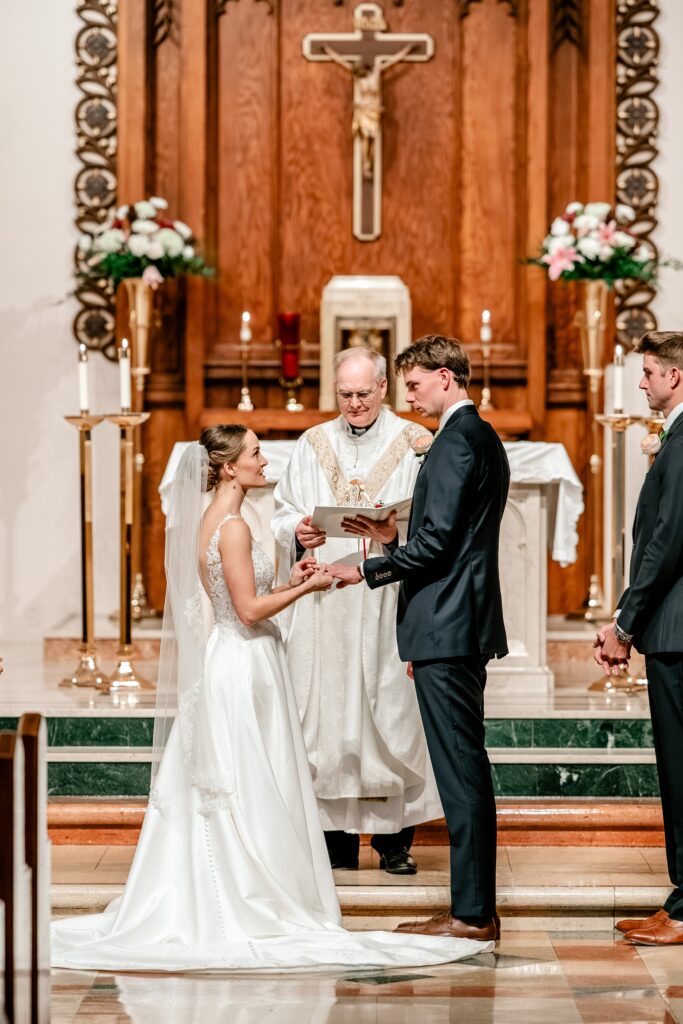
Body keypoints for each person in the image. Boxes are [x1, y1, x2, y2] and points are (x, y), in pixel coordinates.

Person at [51, 424, 492, 971]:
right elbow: (248, 612)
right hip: (241, 666)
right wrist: (310, 585)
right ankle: (246, 889)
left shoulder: (222, 519)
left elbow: (247, 598)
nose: (265, 461)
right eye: (256, 453)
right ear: (229, 467)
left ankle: (242, 878)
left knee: (246, 779)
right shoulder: (231, 526)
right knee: (248, 779)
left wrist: (291, 578)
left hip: (243, 659)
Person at [328, 336, 510, 943]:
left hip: (448, 623)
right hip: (452, 619)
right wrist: (388, 534)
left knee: (461, 771)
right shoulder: (472, 436)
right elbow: (446, 535)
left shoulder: (458, 440)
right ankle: (471, 906)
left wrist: (366, 567)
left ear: (446, 379)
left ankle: (473, 913)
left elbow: (439, 544)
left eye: (413, 384)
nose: (407, 395)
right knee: (462, 767)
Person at [272, 348, 442, 875]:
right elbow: (281, 511)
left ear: (384, 387)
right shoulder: (312, 442)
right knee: (324, 715)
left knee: (389, 710)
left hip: (385, 593)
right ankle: (334, 842)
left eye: (364, 393)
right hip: (324, 597)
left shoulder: (416, 443)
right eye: (345, 394)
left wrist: (395, 533)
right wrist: (297, 530)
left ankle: (394, 842)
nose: (354, 404)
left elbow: (436, 523)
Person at [594, 332, 683, 947]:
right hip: (673, 627)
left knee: (680, 768)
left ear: (675, 376)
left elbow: (666, 542)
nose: (642, 384)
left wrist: (625, 621)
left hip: (676, 630)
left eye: (649, 373)